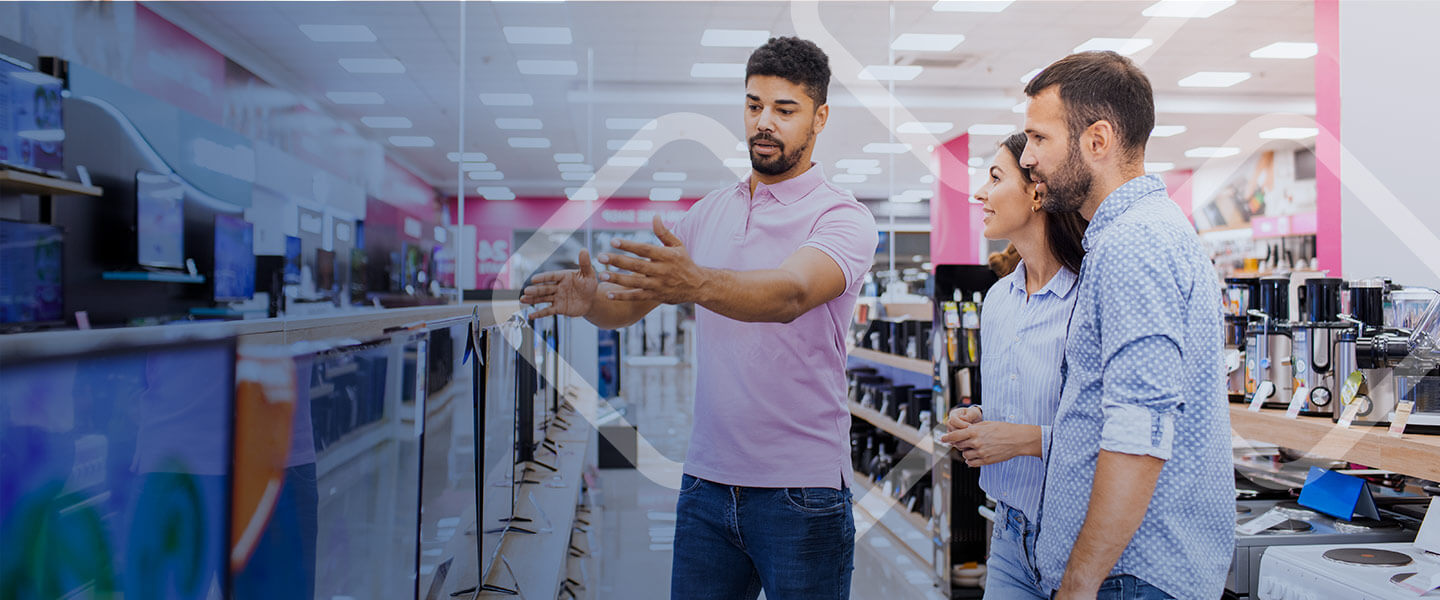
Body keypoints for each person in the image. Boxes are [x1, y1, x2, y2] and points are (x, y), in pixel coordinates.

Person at [519, 36, 878, 600]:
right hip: (706, 485)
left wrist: (697, 283)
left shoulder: (843, 218)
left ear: (820, 117)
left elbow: (791, 294)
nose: (764, 122)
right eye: (754, 105)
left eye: (785, 110)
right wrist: (591, 302)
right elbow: (628, 306)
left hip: (801, 493)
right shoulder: (708, 214)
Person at [1018, 51, 1231, 600]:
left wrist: (1078, 582)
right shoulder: (1141, 233)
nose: (1027, 159)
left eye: (1039, 139)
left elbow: (1138, 434)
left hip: (1129, 577)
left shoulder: (1134, 244)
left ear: (1097, 140)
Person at [940, 133, 1087, 600]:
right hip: (1008, 532)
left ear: (1037, 193)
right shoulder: (999, 299)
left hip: (1078, 534)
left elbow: (1114, 434)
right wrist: (978, 419)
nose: (979, 193)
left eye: (995, 177)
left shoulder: (1086, 298)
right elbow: (1016, 398)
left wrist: (1022, 440)